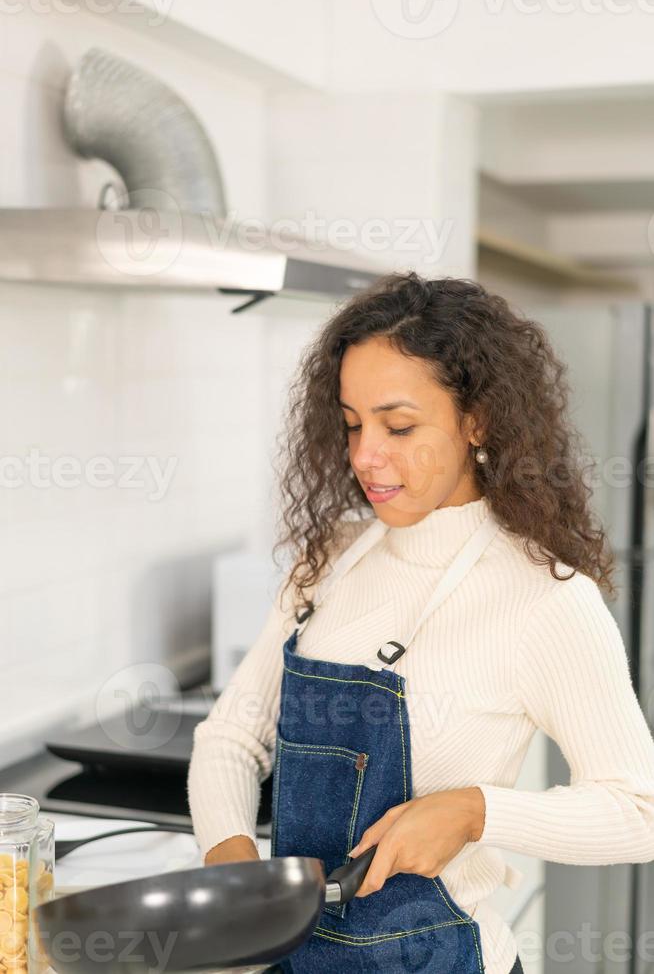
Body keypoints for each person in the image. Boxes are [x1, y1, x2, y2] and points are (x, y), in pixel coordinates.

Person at [187, 271, 654, 974]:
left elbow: (639, 810)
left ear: (477, 421)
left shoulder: (543, 599)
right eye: (352, 424)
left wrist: (475, 811)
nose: (365, 455)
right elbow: (228, 737)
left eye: (399, 425)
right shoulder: (329, 562)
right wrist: (234, 870)